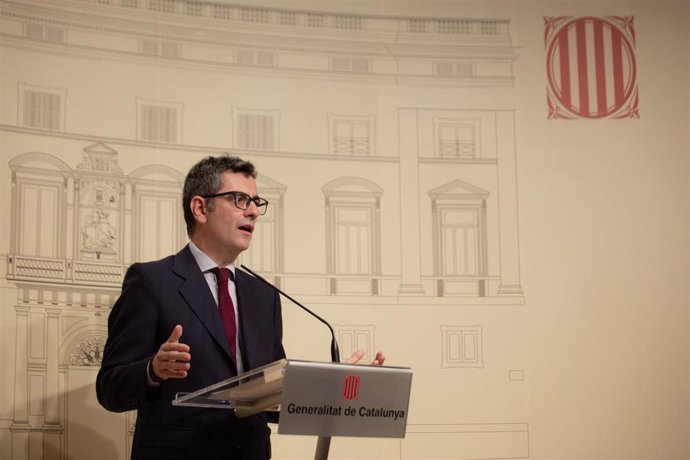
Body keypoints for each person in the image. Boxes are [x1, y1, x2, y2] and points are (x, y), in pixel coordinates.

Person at [96, 155, 385, 460]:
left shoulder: (263, 295)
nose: (252, 211)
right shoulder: (152, 281)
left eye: (255, 202)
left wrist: (334, 389)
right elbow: (109, 389)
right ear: (200, 208)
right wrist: (153, 370)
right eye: (239, 199)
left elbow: (273, 395)